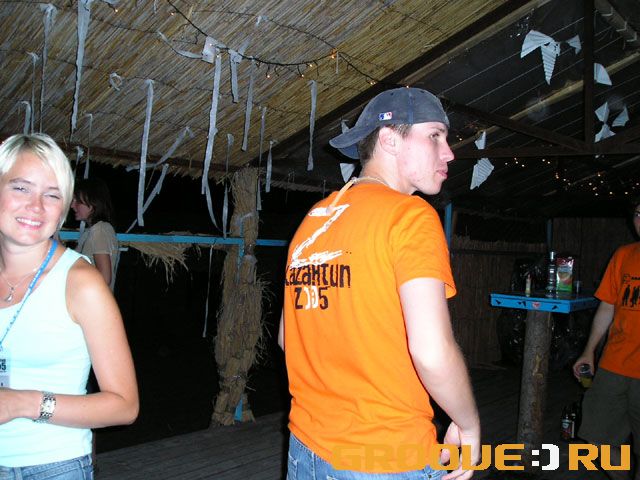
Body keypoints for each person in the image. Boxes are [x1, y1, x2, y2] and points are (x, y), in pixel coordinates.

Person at [278, 87, 480, 479]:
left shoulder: (314, 219)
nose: (449, 153)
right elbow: (431, 351)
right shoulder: (410, 217)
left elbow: (290, 339)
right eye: (435, 136)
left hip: (307, 449)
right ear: (389, 139)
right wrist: (468, 424)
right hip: (385, 455)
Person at [0, 133, 138, 479]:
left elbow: (125, 406)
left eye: (52, 194)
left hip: (52, 466)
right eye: (21, 188)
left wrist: (21, 402)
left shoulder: (83, 279)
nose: (36, 206)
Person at [573, 197, 640, 480]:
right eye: (638, 213)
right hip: (614, 364)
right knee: (596, 438)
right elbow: (607, 306)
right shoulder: (624, 255)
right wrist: (589, 350)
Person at [71, 178, 118, 290]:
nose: (72, 205)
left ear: (92, 203)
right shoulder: (90, 232)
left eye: (77, 201)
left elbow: (105, 278)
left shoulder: (100, 230)